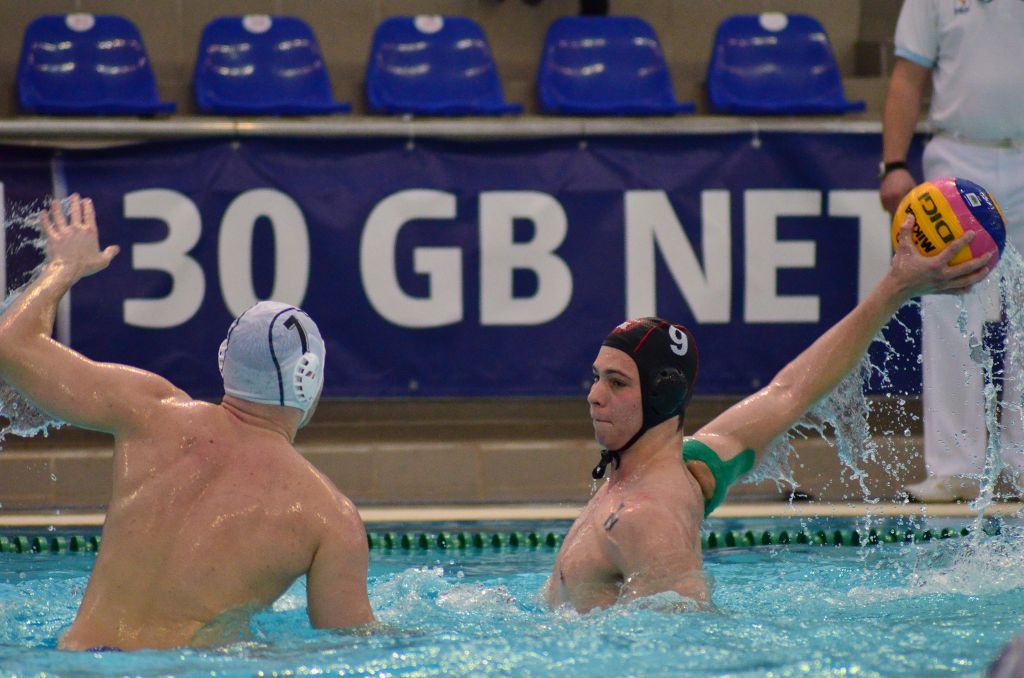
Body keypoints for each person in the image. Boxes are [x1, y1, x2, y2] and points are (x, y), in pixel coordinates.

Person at [543, 215, 991, 612]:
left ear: (662, 395)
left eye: (617, 382)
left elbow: (681, 646)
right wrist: (894, 288)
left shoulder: (646, 519)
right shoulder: (695, 464)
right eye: (597, 377)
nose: (594, 395)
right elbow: (790, 391)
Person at [0, 195, 374, 650]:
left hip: (75, 660)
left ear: (225, 361)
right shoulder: (329, 519)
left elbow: (12, 344)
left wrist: (64, 267)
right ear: (308, 378)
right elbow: (352, 649)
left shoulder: (151, 411)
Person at [879, 0, 1024, 502]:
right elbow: (907, 76)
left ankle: (1022, 466)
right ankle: (955, 466)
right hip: (958, 162)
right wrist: (894, 163)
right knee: (948, 307)